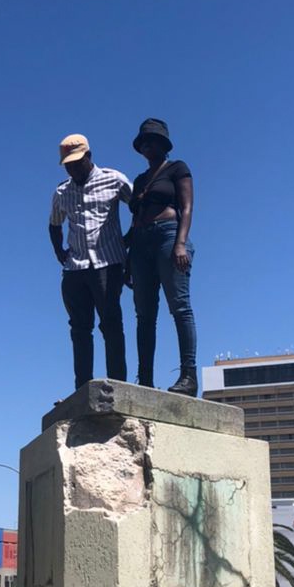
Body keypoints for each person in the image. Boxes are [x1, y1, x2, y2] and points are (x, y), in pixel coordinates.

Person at [49, 133, 132, 391]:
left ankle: (118, 383)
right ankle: (82, 387)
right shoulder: (62, 192)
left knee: (111, 323)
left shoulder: (114, 179)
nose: (73, 168)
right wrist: (59, 252)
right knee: (79, 329)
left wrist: (127, 240)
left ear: (89, 156)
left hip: (108, 264)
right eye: (68, 164)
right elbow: (53, 225)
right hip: (75, 268)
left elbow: (139, 208)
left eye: (77, 162)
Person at [128, 117, 198, 396]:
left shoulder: (178, 168)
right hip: (140, 243)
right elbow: (134, 220)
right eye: (143, 141)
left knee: (179, 306)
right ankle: (144, 378)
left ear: (163, 144)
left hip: (169, 236)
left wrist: (180, 244)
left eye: (152, 140)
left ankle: (188, 375)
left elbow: (188, 207)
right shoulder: (140, 180)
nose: (147, 146)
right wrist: (127, 259)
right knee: (144, 315)